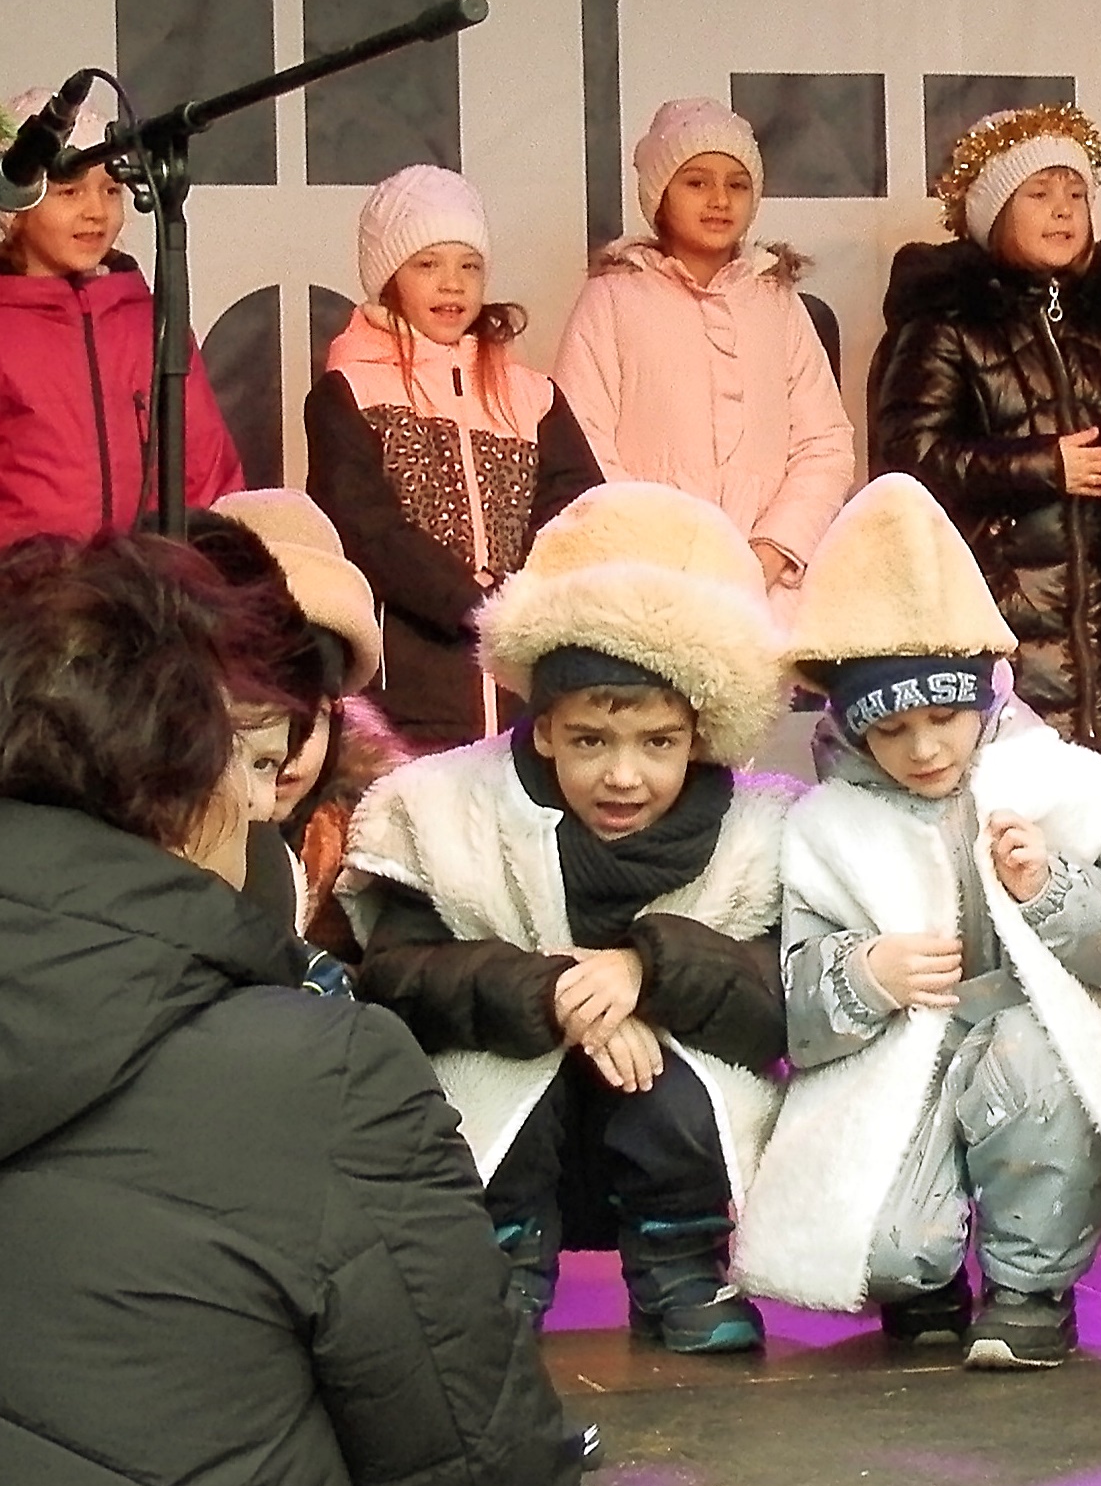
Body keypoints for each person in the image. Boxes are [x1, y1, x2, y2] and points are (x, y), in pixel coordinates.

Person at [0, 532, 579, 1486]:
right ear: (174, 782)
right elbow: (477, 1456)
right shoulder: (324, 1077)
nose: (265, 805)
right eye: (248, 760)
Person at [738, 473, 1101, 1370]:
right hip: (899, 1051)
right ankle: (922, 1276)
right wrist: (861, 976)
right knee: (880, 1251)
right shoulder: (822, 827)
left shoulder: (1066, 787)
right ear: (853, 730)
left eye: (945, 716)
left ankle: (1028, 1287)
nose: (925, 749)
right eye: (890, 730)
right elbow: (784, 992)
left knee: (1039, 1061)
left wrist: (1052, 889)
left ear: (986, 697)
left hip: (1028, 1043)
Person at [342, 482, 797, 1355]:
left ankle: (681, 1259)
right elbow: (396, 976)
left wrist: (647, 972)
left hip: (668, 1099)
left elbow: (785, 989)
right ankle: (500, 1262)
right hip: (511, 1092)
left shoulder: (759, 832)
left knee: (676, 1087)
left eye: (657, 743)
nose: (623, 775)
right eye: (591, 739)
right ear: (545, 727)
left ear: (699, 732)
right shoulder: (441, 811)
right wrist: (554, 993)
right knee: (498, 1075)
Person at [871, 104, 1101, 764]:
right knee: (1001, 803)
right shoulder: (946, 323)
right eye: (1040, 194)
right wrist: (1048, 466)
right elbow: (908, 460)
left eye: (1076, 194)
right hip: (992, 618)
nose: (1063, 211)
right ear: (993, 213)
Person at [308, 164, 602, 747]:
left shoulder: (532, 395)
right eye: (427, 265)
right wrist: (469, 599)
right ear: (389, 277)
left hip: (524, 687)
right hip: (409, 692)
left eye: (469, 266)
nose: (452, 285)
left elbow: (578, 509)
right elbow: (366, 528)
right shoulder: (350, 390)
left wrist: (522, 593)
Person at [552, 98, 855, 618]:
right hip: (646, 583)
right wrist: (665, 552)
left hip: (767, 593)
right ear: (660, 196)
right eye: (696, 182)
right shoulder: (613, 298)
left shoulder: (776, 303)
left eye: (737, 184)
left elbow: (825, 443)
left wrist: (769, 553)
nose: (719, 200)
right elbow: (582, 442)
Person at [0, 82, 244, 546]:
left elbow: (205, 471)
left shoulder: (150, 321)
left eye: (111, 190)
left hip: (141, 583)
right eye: (69, 192)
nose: (96, 211)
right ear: (16, 205)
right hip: (26, 587)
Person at [188, 489, 406, 958]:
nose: (289, 749)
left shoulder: (377, 852)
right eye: (257, 716)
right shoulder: (167, 838)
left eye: (314, 717)